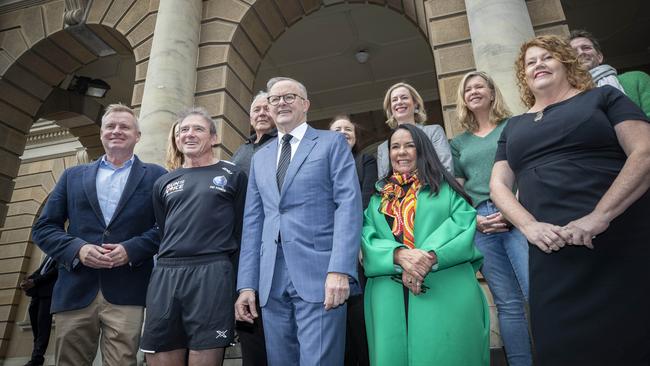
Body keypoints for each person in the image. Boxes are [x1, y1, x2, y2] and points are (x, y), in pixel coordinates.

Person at [490, 35, 650, 365]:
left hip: (617, 240)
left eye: (547, 57)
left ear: (567, 63)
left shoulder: (603, 98)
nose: (538, 64)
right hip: (550, 250)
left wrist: (600, 216)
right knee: (560, 347)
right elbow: (499, 186)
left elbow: (644, 153)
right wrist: (529, 227)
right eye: (530, 62)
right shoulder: (513, 126)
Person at [235, 77, 362, 366]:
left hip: (321, 274)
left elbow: (348, 206)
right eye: (274, 99)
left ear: (305, 105)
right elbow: (253, 222)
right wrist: (246, 285)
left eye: (289, 97)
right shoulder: (260, 157)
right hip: (270, 281)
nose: (280, 103)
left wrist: (341, 269)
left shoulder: (331, 143)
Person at [32, 104, 166, 366]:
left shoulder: (157, 175)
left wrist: (132, 249)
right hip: (75, 288)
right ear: (102, 132)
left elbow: (167, 228)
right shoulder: (72, 176)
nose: (117, 131)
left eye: (124, 127)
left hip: (128, 290)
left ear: (138, 135)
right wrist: (77, 249)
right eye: (110, 126)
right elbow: (44, 228)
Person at [362, 123, 489, 366]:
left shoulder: (445, 188)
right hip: (389, 293)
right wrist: (399, 257)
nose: (401, 152)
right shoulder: (378, 198)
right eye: (395, 147)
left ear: (422, 150)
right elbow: (367, 237)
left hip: (445, 285)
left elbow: (462, 225)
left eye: (410, 145)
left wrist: (425, 258)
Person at [141, 107, 247, 366]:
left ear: (213, 138)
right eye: (183, 130)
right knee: (159, 353)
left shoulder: (233, 175)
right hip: (167, 274)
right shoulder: (163, 182)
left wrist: (240, 287)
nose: (189, 134)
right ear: (177, 140)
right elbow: (165, 231)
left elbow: (242, 232)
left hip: (212, 273)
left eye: (198, 128)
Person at [450, 71, 532, 366]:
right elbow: (459, 189)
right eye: (467, 89)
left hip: (516, 212)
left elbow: (526, 169)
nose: (473, 91)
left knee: (535, 290)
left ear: (491, 92)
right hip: (481, 222)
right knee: (507, 303)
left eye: (478, 86)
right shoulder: (458, 143)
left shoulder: (513, 126)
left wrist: (514, 208)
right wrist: (475, 220)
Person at [231, 91, 276, 366]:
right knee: (250, 326)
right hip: (241, 245)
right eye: (256, 109)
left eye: (266, 107)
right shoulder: (241, 151)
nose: (261, 113)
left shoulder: (283, 146)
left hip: (271, 243)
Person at [329, 114, 376, 366]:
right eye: (337, 129)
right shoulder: (321, 164)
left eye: (348, 129)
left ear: (355, 138)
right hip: (326, 247)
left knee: (359, 319)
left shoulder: (365, 160)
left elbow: (367, 199)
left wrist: (357, 239)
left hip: (356, 246)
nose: (343, 132)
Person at [376, 82, 452, 178]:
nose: (399, 102)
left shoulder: (434, 132)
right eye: (394, 100)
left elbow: (446, 169)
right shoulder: (382, 149)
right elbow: (383, 183)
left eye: (404, 97)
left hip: (434, 191)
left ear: (415, 104)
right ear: (391, 109)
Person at [569, 29, 650, 117]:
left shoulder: (636, 78)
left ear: (599, 57)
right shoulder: (568, 95)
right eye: (574, 52)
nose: (581, 53)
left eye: (586, 48)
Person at [20, 255, 57, 366]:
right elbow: (40, 271)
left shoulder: (61, 253)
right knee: (36, 327)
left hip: (48, 295)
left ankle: (37, 359)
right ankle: (36, 356)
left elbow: (53, 273)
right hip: (37, 294)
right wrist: (29, 279)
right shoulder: (48, 256)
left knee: (43, 327)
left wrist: (34, 282)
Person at [232, 91, 278, 175]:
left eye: (267, 109)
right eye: (257, 110)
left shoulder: (283, 142)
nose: (261, 113)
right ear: (251, 120)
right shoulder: (242, 149)